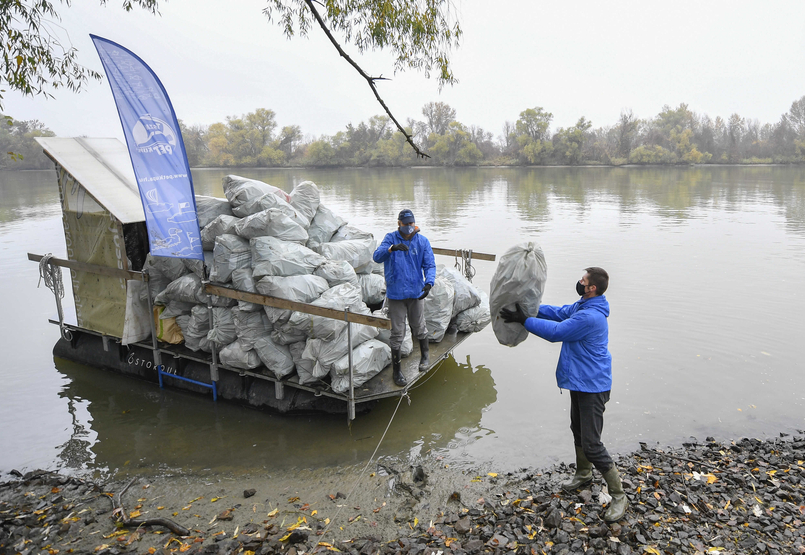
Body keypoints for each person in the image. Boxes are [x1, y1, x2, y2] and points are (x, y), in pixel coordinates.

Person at [499, 267, 627, 523]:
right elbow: (559, 313)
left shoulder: (590, 317)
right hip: (580, 381)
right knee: (577, 429)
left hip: (593, 385)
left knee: (592, 443)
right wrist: (531, 307)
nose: (579, 283)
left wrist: (524, 320)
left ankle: (619, 495)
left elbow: (556, 333)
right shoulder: (584, 306)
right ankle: (583, 474)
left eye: (583, 281)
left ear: (592, 288)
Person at [373, 209, 436, 387]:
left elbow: (430, 264)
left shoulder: (422, 241)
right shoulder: (390, 238)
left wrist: (429, 283)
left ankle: (425, 356)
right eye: (405, 223)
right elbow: (377, 257)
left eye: (411, 223)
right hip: (396, 294)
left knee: (419, 326)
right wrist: (391, 249)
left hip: (416, 293)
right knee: (397, 333)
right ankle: (397, 372)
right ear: (399, 224)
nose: (409, 227)